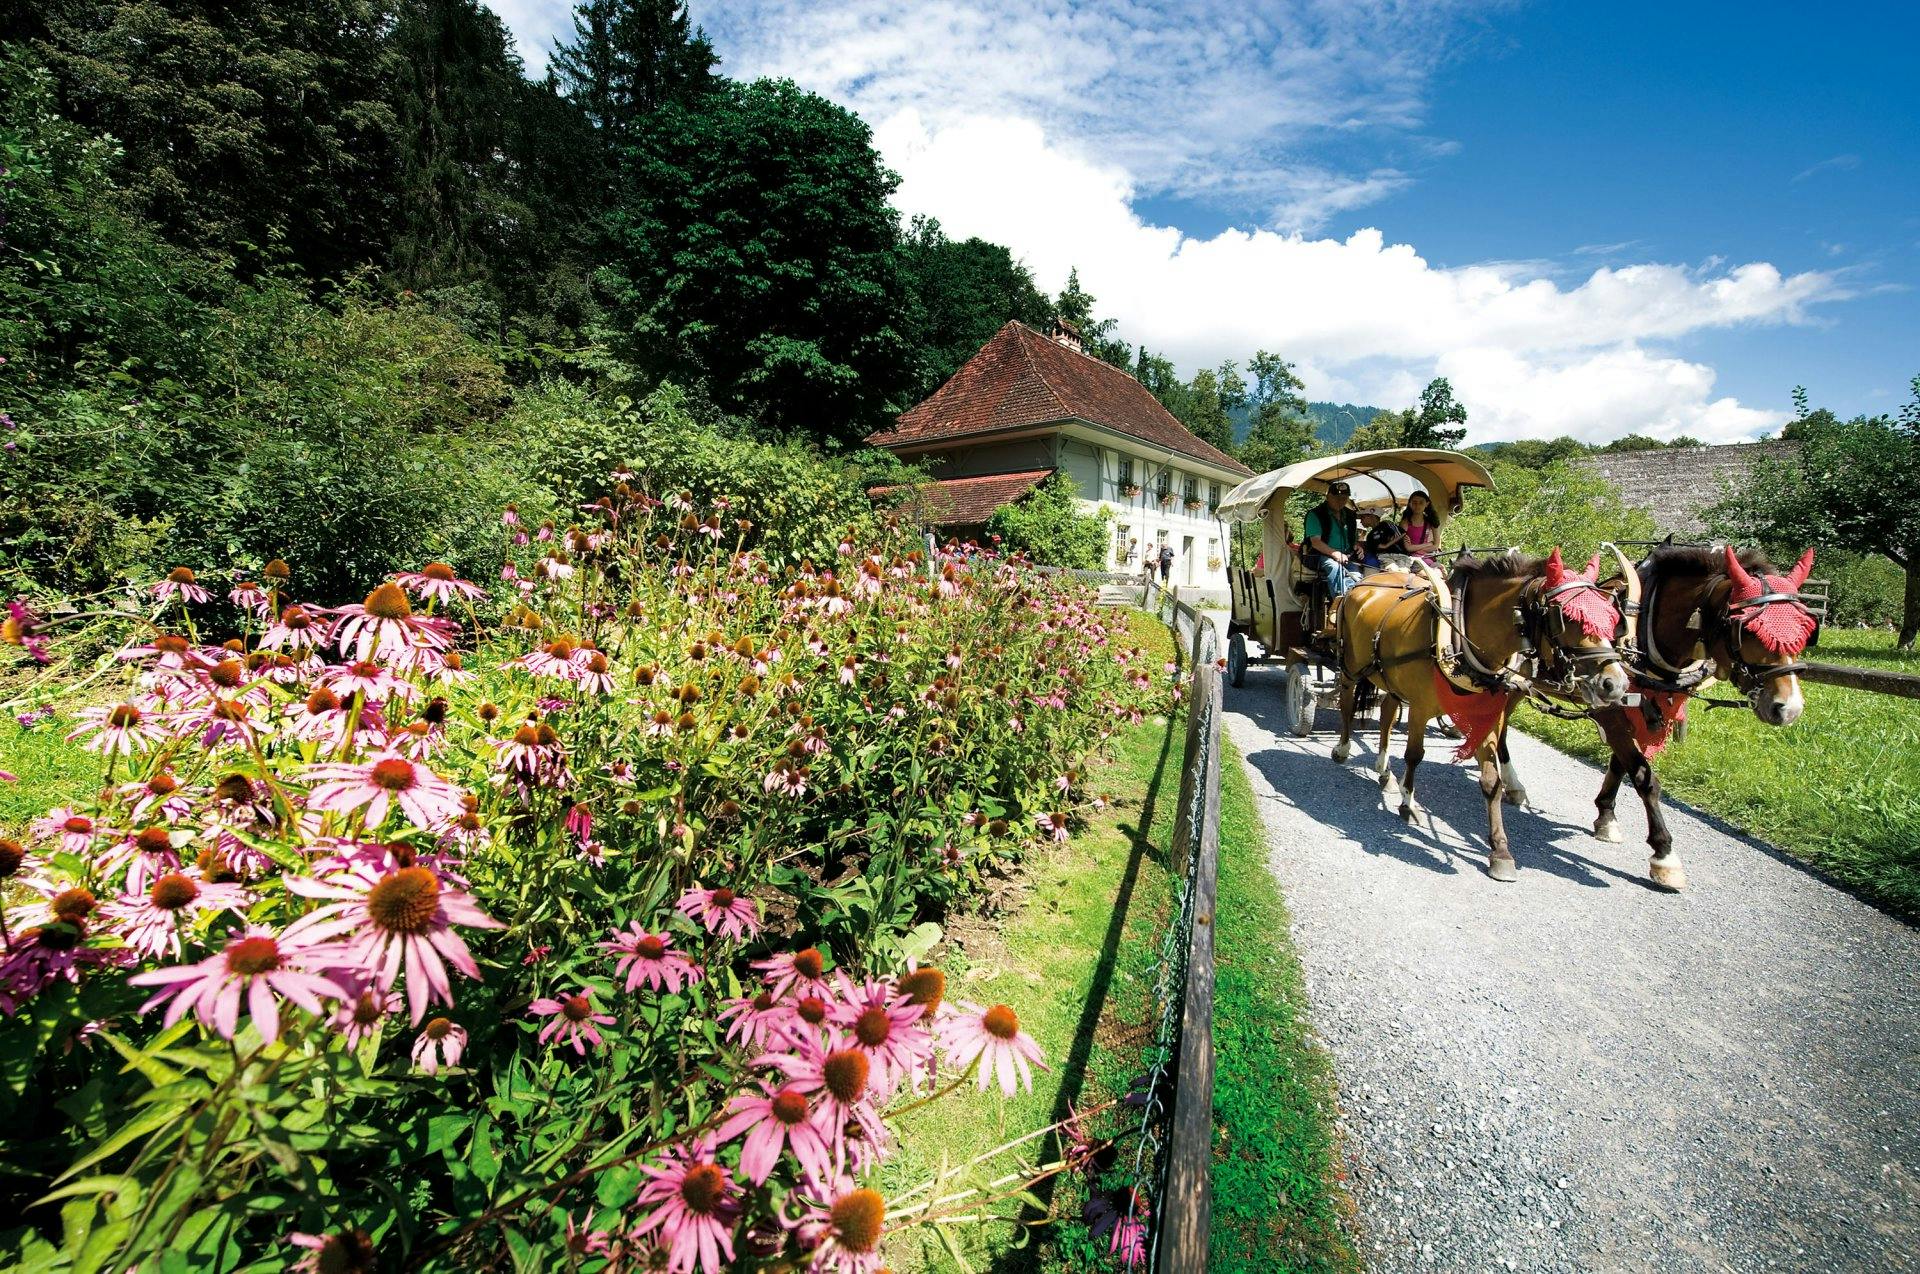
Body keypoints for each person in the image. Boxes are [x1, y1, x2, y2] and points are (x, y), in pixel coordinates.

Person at [1303, 481, 1361, 599]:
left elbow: (1353, 539)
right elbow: (1316, 542)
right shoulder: (1315, 514)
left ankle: (1353, 599)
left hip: (1346, 555)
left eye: (1344, 498)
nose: (1340, 501)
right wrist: (1335, 554)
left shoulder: (1350, 515)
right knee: (1336, 568)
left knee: (1356, 575)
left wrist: (1357, 546)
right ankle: (1338, 603)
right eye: (1337, 497)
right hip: (1318, 555)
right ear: (1328, 496)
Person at [1400, 489, 1440, 562]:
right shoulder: (1405, 523)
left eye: (1421, 503)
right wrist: (1428, 544)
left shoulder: (1431, 521)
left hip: (1426, 556)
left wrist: (1419, 550)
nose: (1417, 505)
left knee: (1440, 570)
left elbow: (1436, 545)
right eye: (1414, 502)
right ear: (1410, 504)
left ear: (1427, 504)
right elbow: (1408, 548)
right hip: (1410, 558)